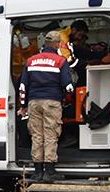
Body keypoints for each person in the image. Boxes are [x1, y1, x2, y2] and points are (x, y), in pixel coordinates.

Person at [19, 32, 74, 182]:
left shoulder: (30, 61)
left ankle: (37, 172)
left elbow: (23, 86)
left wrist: (23, 106)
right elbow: (68, 87)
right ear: (57, 44)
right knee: (50, 135)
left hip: (33, 102)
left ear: (45, 44)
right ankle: (49, 172)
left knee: (37, 136)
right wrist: (67, 99)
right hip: (52, 102)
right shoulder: (60, 61)